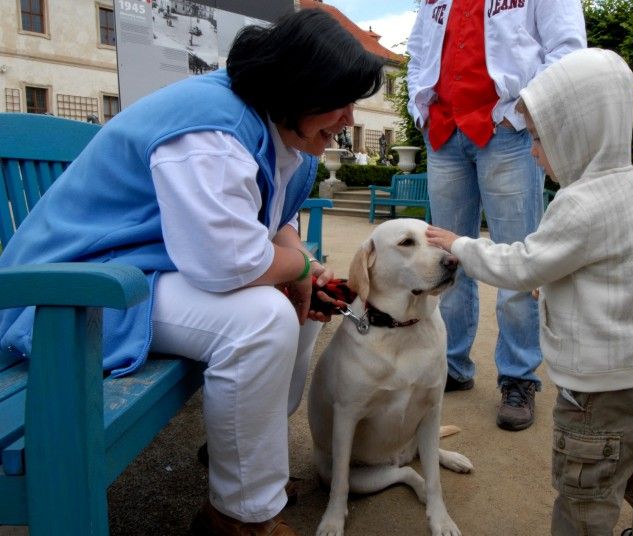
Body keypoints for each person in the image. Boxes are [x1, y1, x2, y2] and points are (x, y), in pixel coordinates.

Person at [0, 9, 383, 536]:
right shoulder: (212, 125)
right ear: (298, 87)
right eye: (339, 101)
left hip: (131, 275)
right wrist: (297, 267)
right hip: (65, 291)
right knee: (263, 317)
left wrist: (302, 266)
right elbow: (227, 263)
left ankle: (245, 462)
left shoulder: (277, 123)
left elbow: (278, 216)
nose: (348, 118)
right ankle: (240, 519)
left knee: (303, 302)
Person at [426, 48, 633, 535]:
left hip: (593, 386)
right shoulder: (631, 191)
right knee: (632, 455)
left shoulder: (579, 203)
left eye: (537, 138)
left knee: (584, 484)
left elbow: (523, 263)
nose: (532, 151)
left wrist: (461, 245)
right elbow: (612, 272)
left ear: (577, 132)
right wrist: (554, 285)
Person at [406, 0, 586, 431]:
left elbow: (568, 49)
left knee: (520, 258)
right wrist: (422, 111)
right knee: (446, 257)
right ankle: (451, 364)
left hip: (509, 130)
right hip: (444, 132)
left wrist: (520, 110)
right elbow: (417, 52)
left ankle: (519, 377)